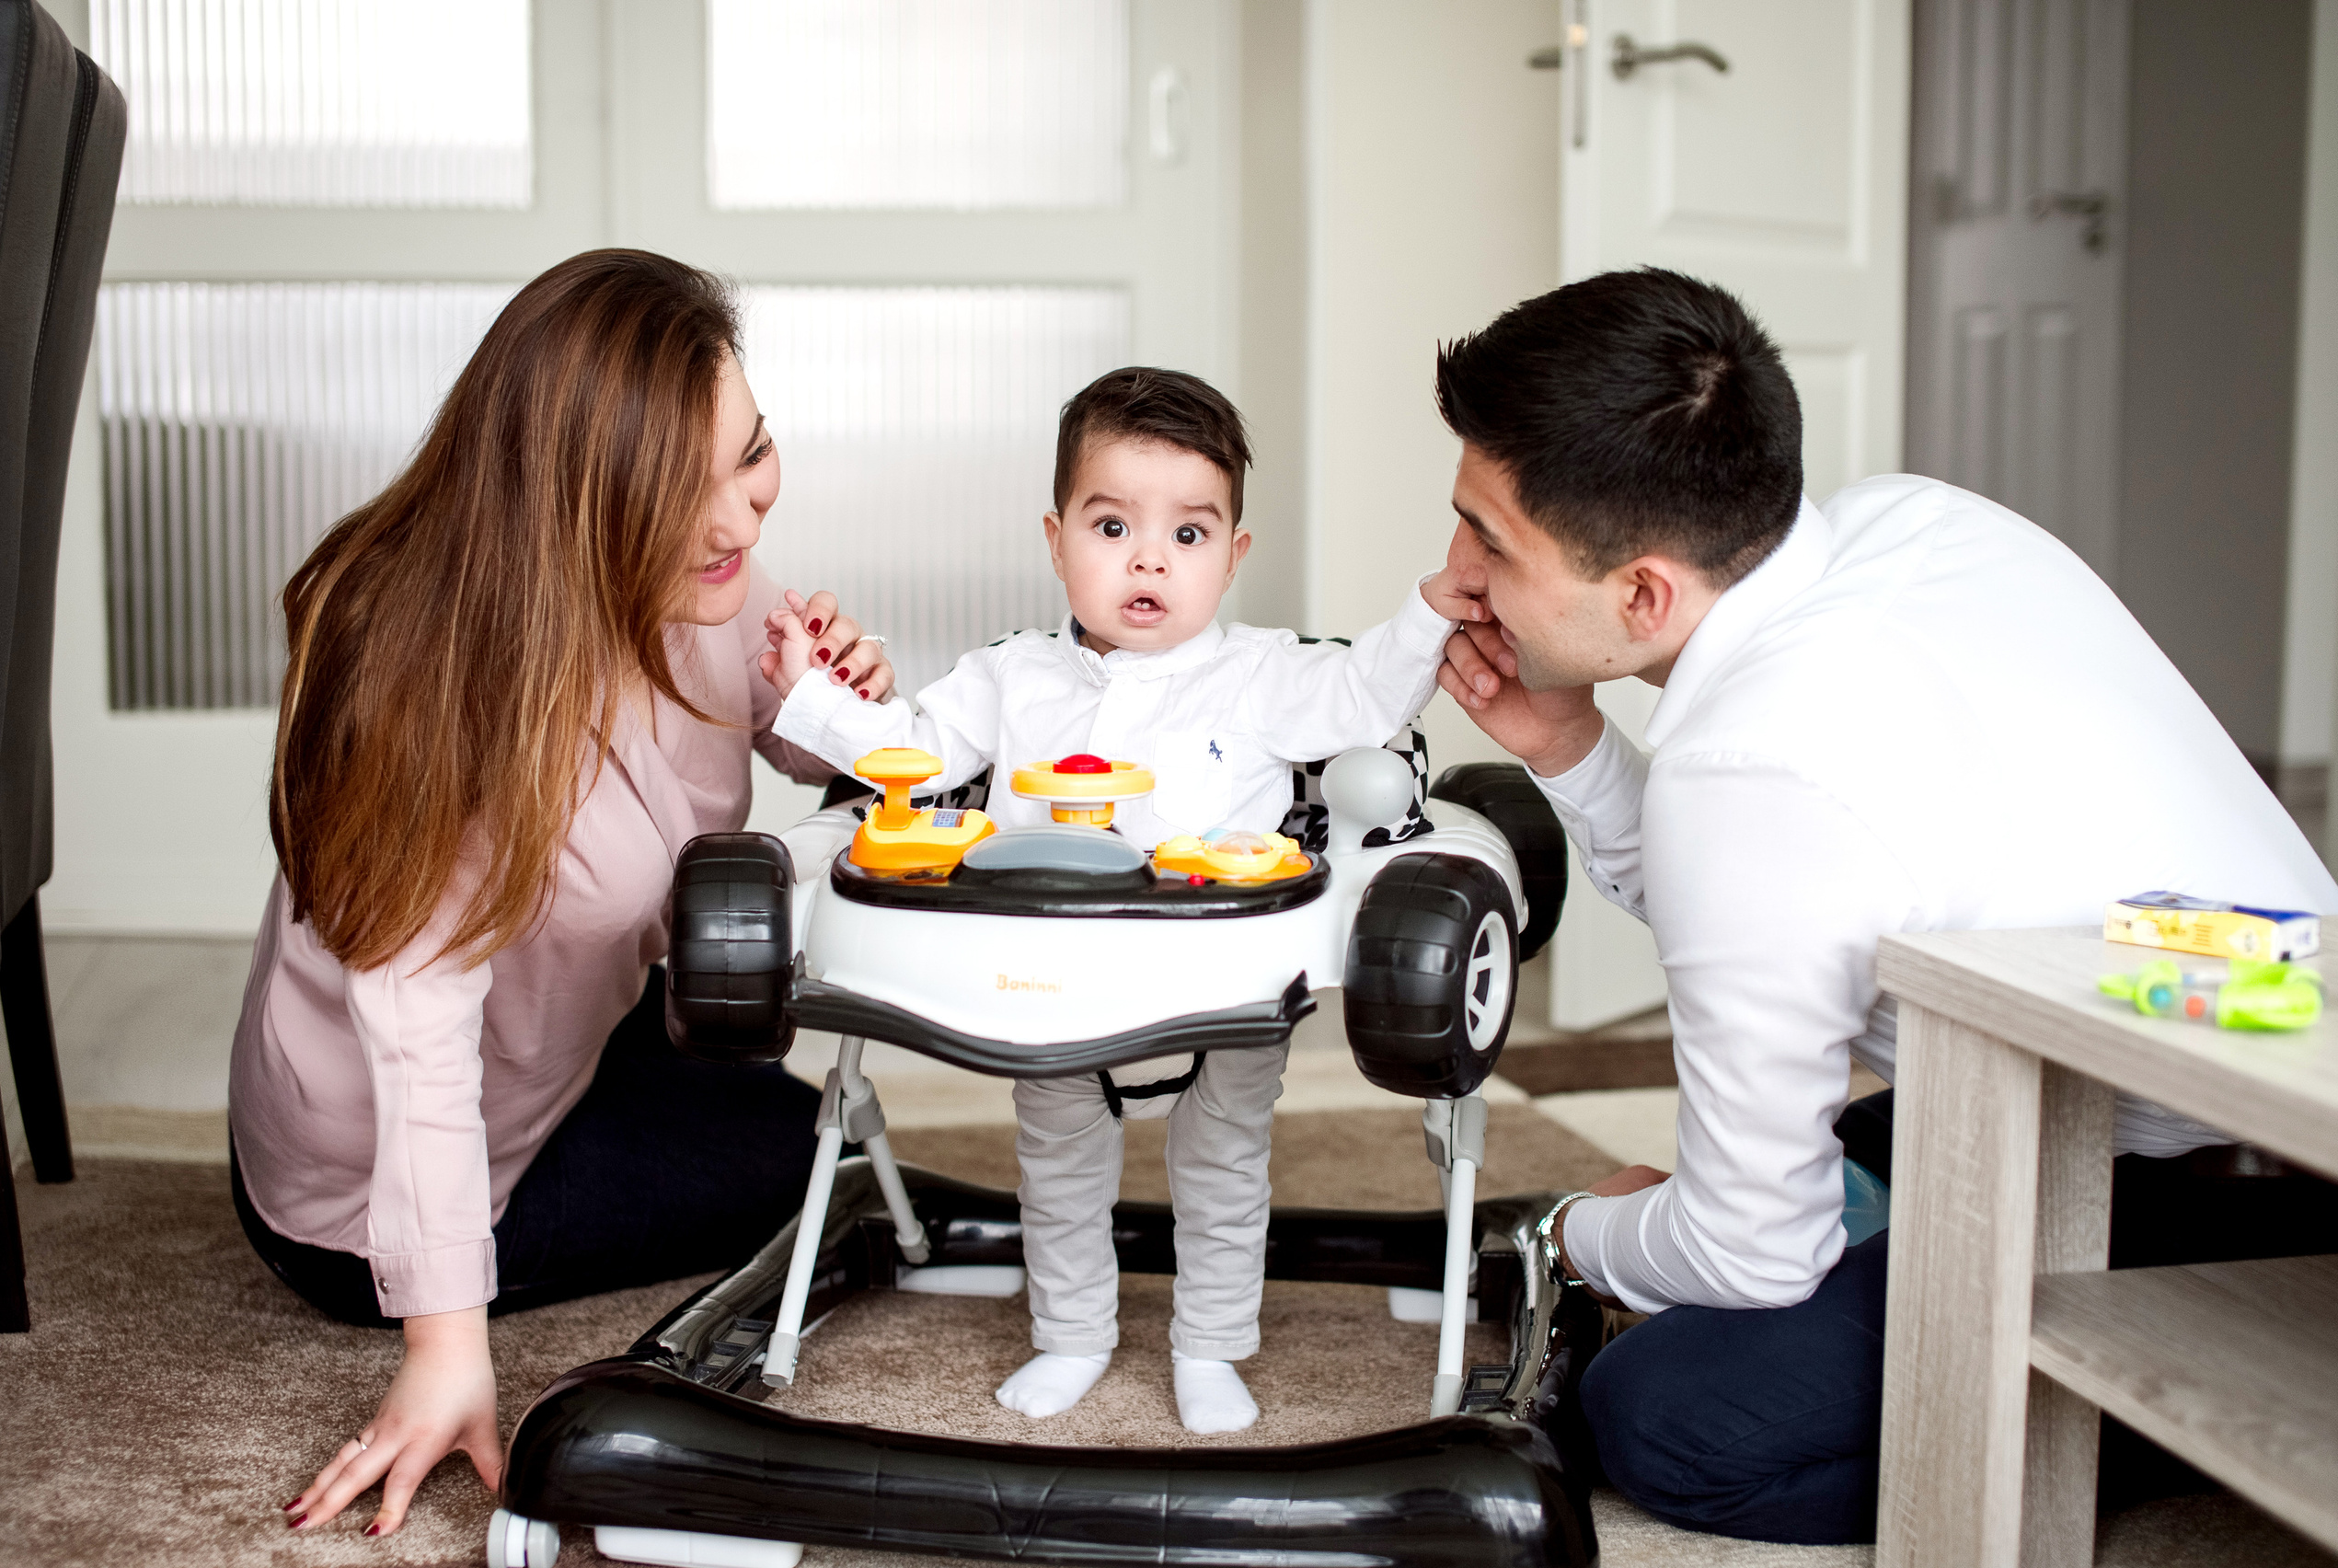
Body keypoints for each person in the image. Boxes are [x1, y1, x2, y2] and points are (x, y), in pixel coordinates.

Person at [1428, 268, 2338, 1543]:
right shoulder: (1913, 521)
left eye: (1489, 539)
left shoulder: (1749, 772)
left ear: (1642, 593)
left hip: (2229, 1169)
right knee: (1793, 1172)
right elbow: (1767, 895)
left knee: (1662, 1417)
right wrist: (1572, 748)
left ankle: (2176, 1402)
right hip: (2251, 1021)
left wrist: (1578, 1233)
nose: (1449, 577)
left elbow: (1758, 1251)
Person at [232, 249, 894, 1538]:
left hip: (564, 1039)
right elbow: (421, 1046)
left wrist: (836, 703)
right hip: (369, 1168)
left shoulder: (696, 574)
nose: (740, 524)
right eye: (680, 492)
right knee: (821, 1169)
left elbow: (781, 720)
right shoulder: (421, 688)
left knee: (818, 1139)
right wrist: (443, 1345)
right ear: (567, 500)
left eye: (750, 454)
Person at [766, 366, 1480, 1433]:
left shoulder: (1264, 674)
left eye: (1188, 536)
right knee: (1056, 1166)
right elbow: (909, 752)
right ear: (1056, 541)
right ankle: (1073, 1334)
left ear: (1234, 557)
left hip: (1219, 986)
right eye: (1111, 525)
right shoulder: (1008, 676)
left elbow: (1363, 695)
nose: (1148, 557)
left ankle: (1208, 1346)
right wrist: (810, 697)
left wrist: (1428, 611)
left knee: (1222, 1165)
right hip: (1050, 984)